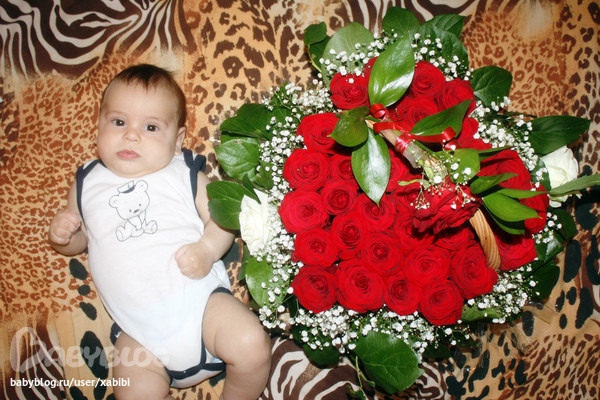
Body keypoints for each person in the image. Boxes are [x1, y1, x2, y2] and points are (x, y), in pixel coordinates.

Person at [48, 64, 271, 400]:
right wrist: (64, 236)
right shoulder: (86, 183)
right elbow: (81, 243)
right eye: (118, 122)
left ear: (177, 140)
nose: (131, 135)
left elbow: (222, 217)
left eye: (150, 127)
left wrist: (207, 250)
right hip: (139, 336)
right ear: (98, 126)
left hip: (202, 307)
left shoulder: (183, 172)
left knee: (251, 343)